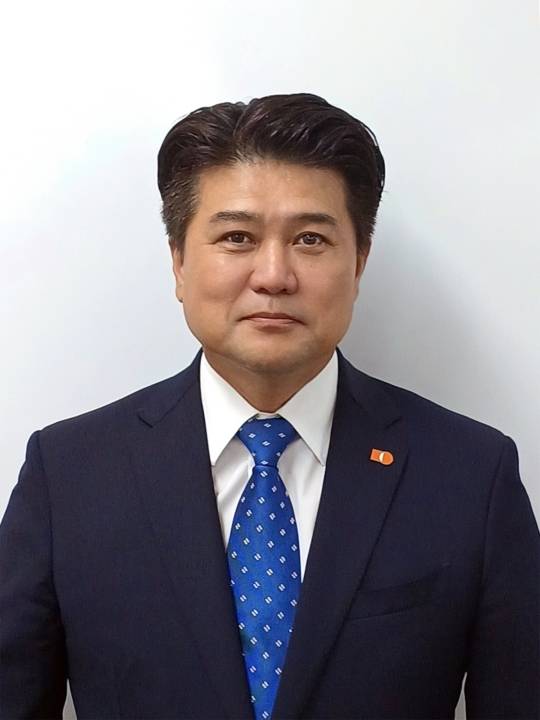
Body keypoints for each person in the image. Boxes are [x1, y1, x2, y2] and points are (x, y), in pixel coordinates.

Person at [1, 93, 538, 720]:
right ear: (179, 262)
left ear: (359, 263)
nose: (274, 275)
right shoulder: (68, 474)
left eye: (310, 239)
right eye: (237, 237)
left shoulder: (471, 474)